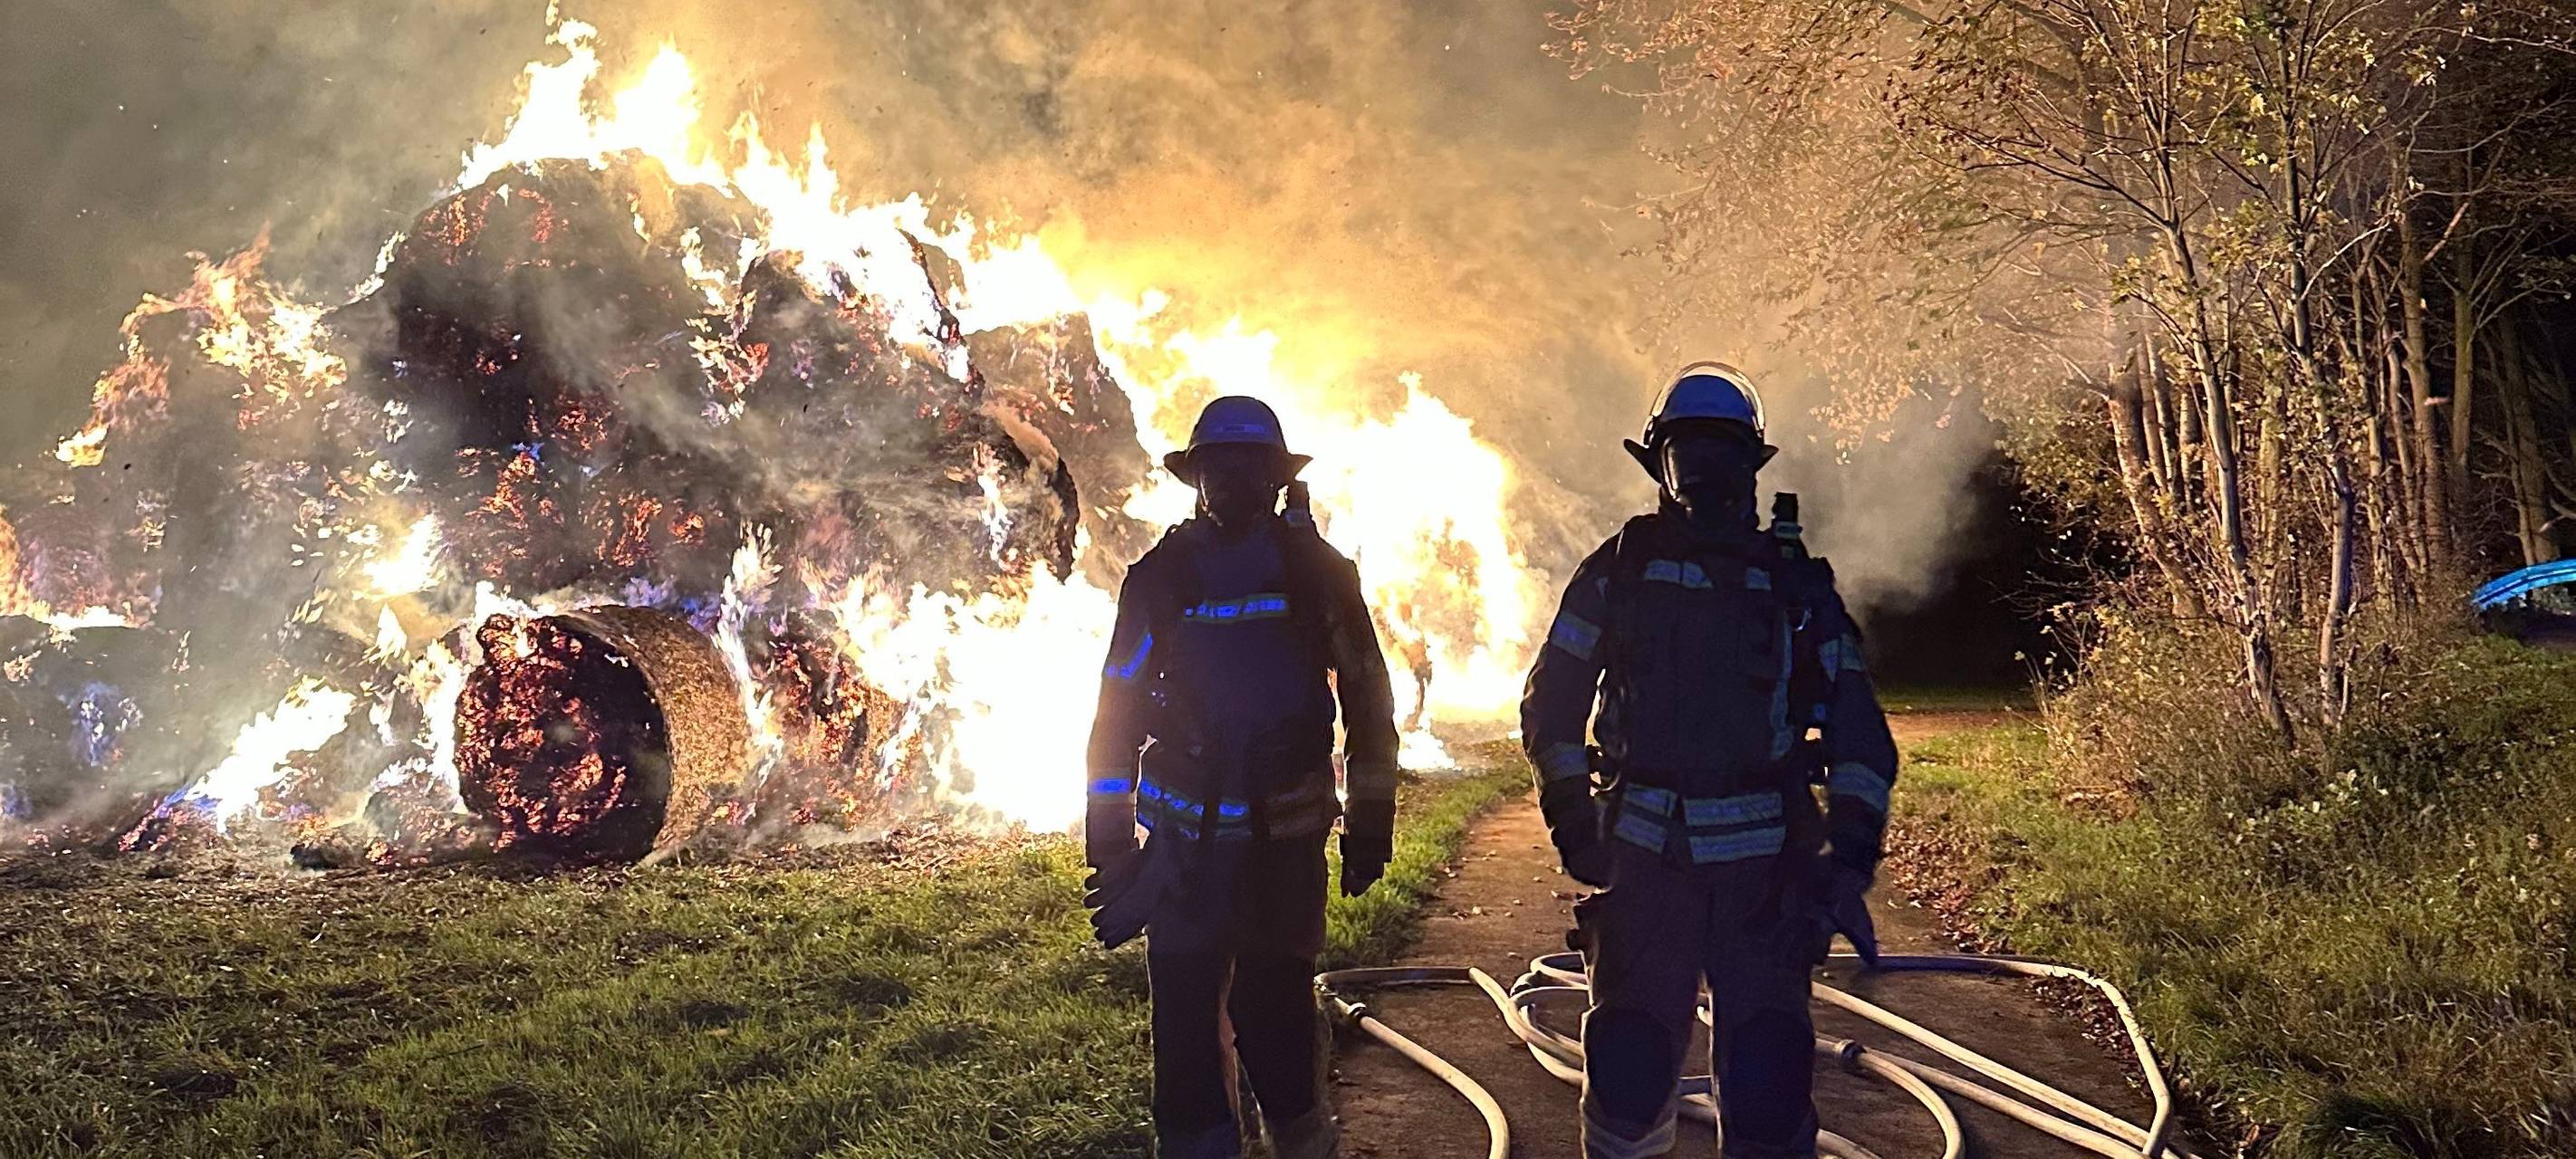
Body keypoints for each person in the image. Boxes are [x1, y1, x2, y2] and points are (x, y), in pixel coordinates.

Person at [1521, 362, 1899, 1159]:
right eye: (1687, 456)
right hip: (1644, 876)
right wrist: (1570, 816)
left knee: (1766, 1083)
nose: (1703, 475)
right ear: (1659, 465)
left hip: (1765, 882)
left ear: (1751, 466)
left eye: (1721, 455)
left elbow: (1860, 729)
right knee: (1627, 1076)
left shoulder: (1792, 585)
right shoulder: (1618, 569)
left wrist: (1850, 854)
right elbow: (1551, 700)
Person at [1082, 396, 1401, 1159]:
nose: (1231, 480)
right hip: (1184, 857)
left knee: (1279, 1024)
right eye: (1216, 466)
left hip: (1282, 853)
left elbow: (1368, 695)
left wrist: (1372, 822)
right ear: (1195, 479)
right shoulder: (1158, 578)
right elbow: (1117, 711)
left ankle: (1301, 1142)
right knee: (1187, 1041)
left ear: (1273, 477)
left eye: (1245, 465)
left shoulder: (1319, 574)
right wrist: (1111, 842)